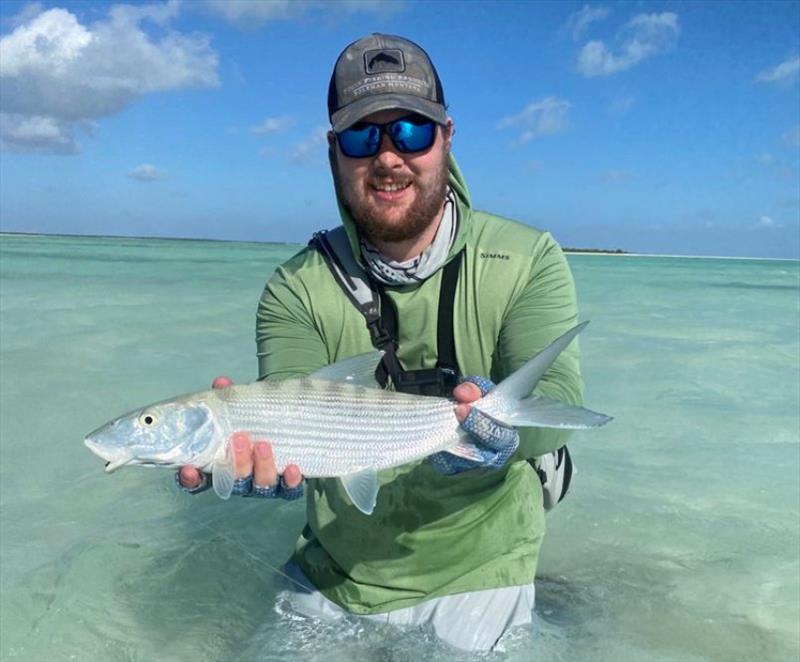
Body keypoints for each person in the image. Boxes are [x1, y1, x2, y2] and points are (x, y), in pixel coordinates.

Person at [178, 33, 583, 652]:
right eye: (364, 137)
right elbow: (297, 419)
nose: (389, 158)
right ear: (334, 152)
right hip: (338, 572)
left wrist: (502, 437)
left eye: (412, 133)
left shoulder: (528, 258)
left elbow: (554, 405)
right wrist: (261, 461)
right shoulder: (294, 288)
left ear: (447, 136)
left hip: (484, 564)